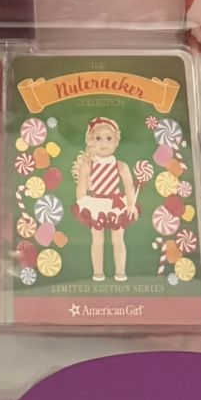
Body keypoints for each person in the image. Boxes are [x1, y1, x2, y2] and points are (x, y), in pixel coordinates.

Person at [72, 115, 140, 282]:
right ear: (91, 141)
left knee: (118, 239)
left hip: (116, 205)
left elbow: (129, 187)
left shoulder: (121, 166)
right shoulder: (88, 166)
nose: (104, 143)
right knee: (97, 240)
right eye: (98, 138)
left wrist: (131, 204)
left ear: (116, 142)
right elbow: (81, 187)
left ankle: (120, 272)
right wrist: (82, 204)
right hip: (95, 205)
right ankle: (98, 273)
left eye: (109, 138)